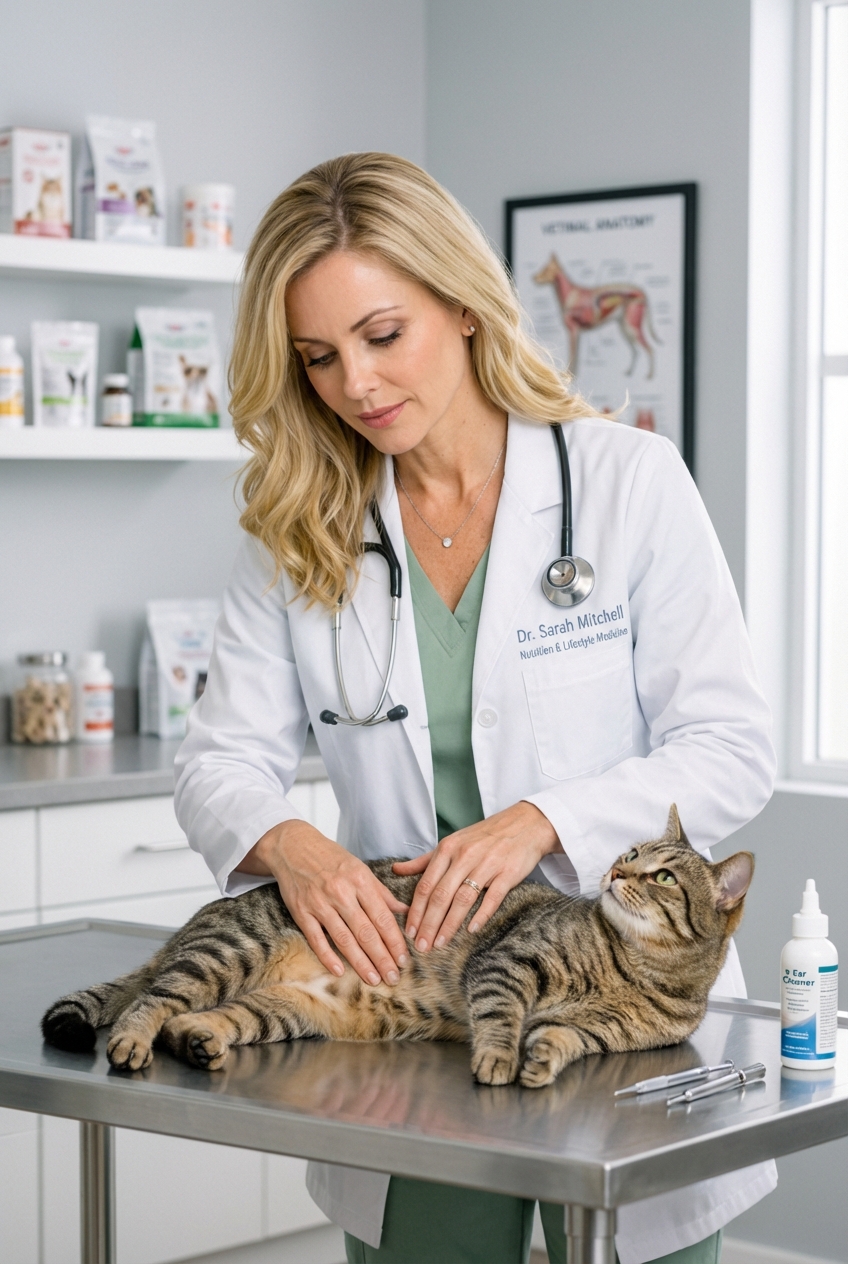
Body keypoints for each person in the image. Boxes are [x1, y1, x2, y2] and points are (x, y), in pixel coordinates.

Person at [174, 152, 777, 1264]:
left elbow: (733, 749)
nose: (354, 382)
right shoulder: (303, 525)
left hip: (621, 1012)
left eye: (381, 334)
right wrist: (292, 845)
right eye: (317, 356)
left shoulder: (626, 482)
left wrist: (544, 820)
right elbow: (218, 761)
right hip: (410, 1014)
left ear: (459, 304)